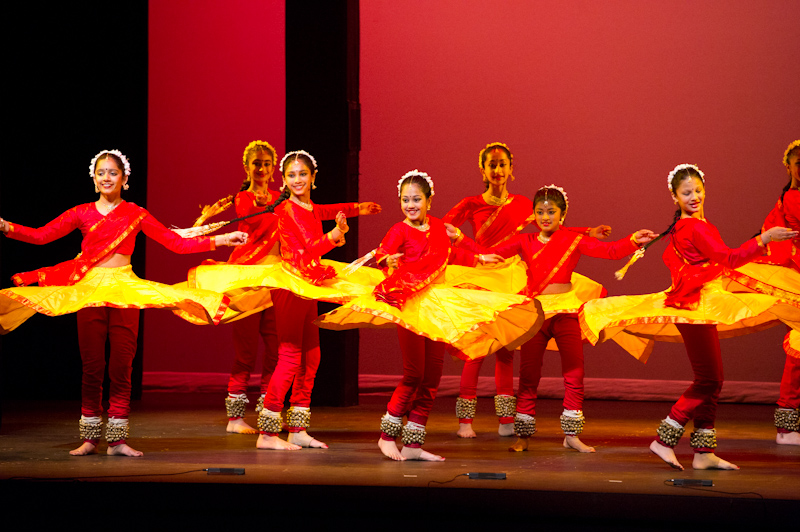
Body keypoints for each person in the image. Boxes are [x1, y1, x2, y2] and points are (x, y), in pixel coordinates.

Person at [0, 149, 247, 457]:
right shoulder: (81, 212)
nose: (107, 177)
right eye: (101, 172)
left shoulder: (135, 214)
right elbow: (42, 236)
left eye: (113, 172)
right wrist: (6, 227)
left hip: (125, 289)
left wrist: (221, 239)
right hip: (89, 290)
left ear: (124, 178)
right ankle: (90, 438)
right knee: (92, 366)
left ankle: (117, 440)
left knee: (122, 365)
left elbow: (175, 243)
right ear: (93, 179)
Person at [580, 164, 799, 470]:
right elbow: (729, 258)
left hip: (699, 305)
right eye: (686, 193)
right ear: (675, 197)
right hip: (694, 307)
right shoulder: (694, 227)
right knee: (709, 380)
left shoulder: (686, 227)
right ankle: (664, 439)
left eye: (698, 190)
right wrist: (765, 238)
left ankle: (703, 452)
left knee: (711, 380)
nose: (694, 197)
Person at [317, 171, 543, 461]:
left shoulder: (439, 226)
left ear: (429, 201)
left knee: (432, 377)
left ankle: (413, 444)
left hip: (437, 305)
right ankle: (387, 436)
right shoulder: (399, 229)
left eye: (416, 199)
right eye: (405, 200)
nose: (410, 205)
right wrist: (389, 260)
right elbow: (384, 254)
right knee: (414, 374)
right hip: (410, 304)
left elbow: (452, 254)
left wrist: (480, 257)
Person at [448, 185, 656, 453]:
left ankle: (572, 435)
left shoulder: (572, 240)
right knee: (529, 375)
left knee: (574, 373)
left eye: (551, 212)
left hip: (566, 312)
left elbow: (611, 251)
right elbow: (489, 255)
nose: (545, 217)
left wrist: (633, 240)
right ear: (534, 215)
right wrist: (459, 239)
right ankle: (523, 435)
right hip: (537, 314)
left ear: (562, 214)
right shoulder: (525, 240)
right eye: (540, 212)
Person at [444, 142, 611, 438]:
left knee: (507, 349)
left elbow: (548, 229)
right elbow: (440, 229)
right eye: (492, 164)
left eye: (502, 164)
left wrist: (587, 232)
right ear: (482, 169)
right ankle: (465, 421)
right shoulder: (471, 204)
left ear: (511, 168)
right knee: (477, 349)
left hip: (513, 278)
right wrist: (454, 244)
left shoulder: (522, 203)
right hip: (484, 275)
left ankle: (507, 420)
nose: (497, 170)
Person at [253, 150, 382, 451]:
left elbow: (330, 210)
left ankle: (297, 428)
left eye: (303, 174)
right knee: (289, 356)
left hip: (309, 284)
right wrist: (335, 234)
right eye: (291, 175)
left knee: (311, 358)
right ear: (284, 180)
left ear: (313, 177)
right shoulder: (287, 209)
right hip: (290, 286)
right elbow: (308, 249)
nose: (297, 180)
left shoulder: (309, 207)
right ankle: (268, 432)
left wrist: (358, 209)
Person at [190, 140, 283, 434]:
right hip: (247, 283)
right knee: (245, 353)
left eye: (267, 164)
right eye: (257, 164)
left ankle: (269, 412)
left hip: (274, 282)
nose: (262, 169)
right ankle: (235, 418)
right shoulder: (243, 198)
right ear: (246, 167)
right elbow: (253, 211)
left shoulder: (281, 198)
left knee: (276, 352)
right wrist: (272, 202)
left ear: (273, 168)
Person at [721, 140, 800, 445]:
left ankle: (787, 423)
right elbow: (771, 236)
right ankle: (786, 425)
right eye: (798, 163)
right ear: (788, 167)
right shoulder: (790, 198)